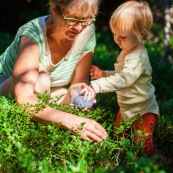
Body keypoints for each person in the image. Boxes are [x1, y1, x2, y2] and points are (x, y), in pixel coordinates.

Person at [0, 0, 107, 142]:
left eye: (86, 20)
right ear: (54, 9)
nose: (79, 28)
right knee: (41, 78)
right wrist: (72, 122)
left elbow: (79, 80)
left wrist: (80, 91)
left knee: (79, 102)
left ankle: (43, 116)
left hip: (48, 92)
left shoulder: (87, 32)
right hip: (9, 87)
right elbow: (24, 98)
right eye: (72, 19)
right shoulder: (33, 36)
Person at [83, 1, 160, 157]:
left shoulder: (138, 58)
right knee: (119, 138)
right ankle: (117, 162)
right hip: (126, 109)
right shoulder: (127, 49)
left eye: (123, 36)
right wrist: (104, 74)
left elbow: (124, 80)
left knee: (143, 144)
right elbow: (122, 75)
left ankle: (154, 164)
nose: (117, 39)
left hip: (143, 110)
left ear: (141, 34)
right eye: (114, 34)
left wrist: (97, 85)